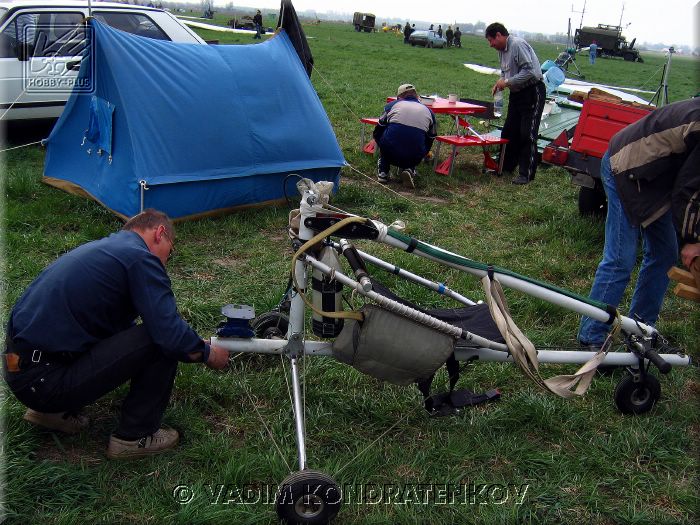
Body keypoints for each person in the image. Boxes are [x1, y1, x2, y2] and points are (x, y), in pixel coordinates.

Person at [2, 209, 230, 459]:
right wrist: (208, 354)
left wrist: (192, 342)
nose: (166, 261)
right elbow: (168, 335)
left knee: (146, 334)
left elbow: (120, 334)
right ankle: (135, 437)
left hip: (22, 371)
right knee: (157, 340)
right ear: (160, 233)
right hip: (45, 382)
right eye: (170, 252)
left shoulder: (108, 250)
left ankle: (51, 413)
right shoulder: (140, 258)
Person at [578, 98, 700, 349]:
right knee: (620, 258)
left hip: (655, 179)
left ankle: (640, 329)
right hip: (624, 167)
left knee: (665, 254)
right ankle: (591, 335)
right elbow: (688, 191)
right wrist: (691, 240)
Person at [485, 22, 546, 185]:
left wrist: (508, 81)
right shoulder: (501, 51)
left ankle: (526, 174)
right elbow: (505, 72)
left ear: (499, 35)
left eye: (491, 40)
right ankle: (504, 167)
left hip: (532, 91)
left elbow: (530, 71)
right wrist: (500, 82)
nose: (491, 45)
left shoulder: (517, 45)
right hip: (516, 93)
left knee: (527, 133)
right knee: (509, 131)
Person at [374, 83, 437, 189]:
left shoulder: (392, 106)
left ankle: (383, 172)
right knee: (415, 141)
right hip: (415, 155)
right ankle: (409, 168)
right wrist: (423, 152)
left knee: (386, 136)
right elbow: (431, 137)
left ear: (399, 97)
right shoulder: (430, 112)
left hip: (389, 152)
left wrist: (381, 145)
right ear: (417, 96)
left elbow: (378, 129)